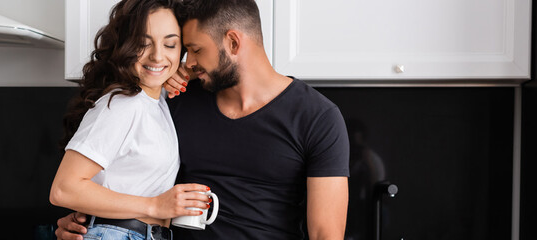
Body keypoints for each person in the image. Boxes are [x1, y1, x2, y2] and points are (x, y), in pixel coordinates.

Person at [56, 0, 350, 239]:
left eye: (194, 50)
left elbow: (326, 233)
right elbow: (119, 172)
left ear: (233, 43)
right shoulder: (176, 99)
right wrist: (92, 224)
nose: (188, 62)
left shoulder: (317, 117)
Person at [48, 1, 211, 240]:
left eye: (170, 44)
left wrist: (179, 69)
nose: (157, 55)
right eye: (143, 44)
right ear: (125, 45)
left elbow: (206, 64)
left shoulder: (155, 101)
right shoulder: (123, 105)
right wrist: (155, 206)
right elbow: (64, 189)